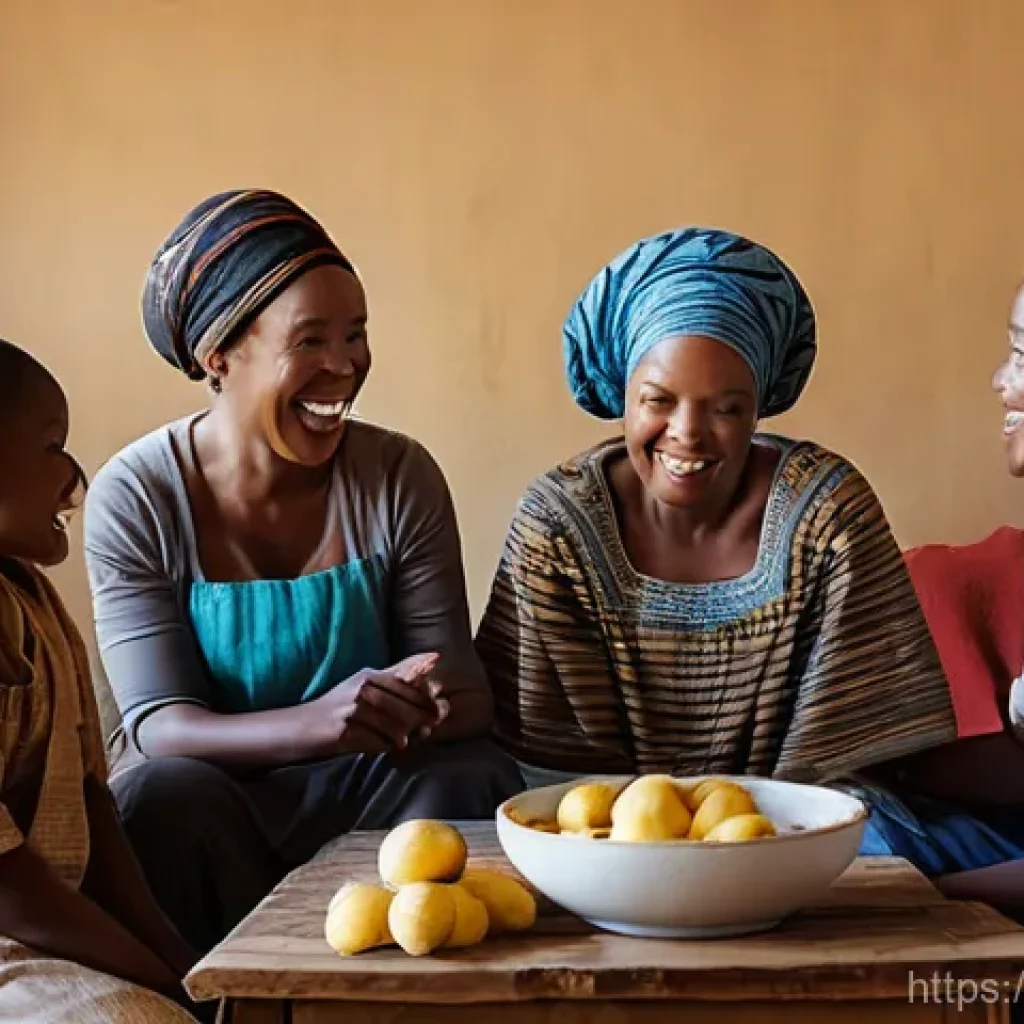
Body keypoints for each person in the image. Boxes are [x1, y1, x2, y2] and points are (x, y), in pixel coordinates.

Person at [84, 189, 522, 954]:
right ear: (218, 357)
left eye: (355, 335)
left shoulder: (398, 475)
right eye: (311, 339)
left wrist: (431, 702)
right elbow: (159, 726)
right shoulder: (139, 494)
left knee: (468, 778)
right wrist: (318, 723)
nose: (345, 365)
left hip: (372, 784)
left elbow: (464, 691)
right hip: (222, 799)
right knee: (158, 798)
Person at [475, 226, 968, 873]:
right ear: (622, 390)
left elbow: (840, 766)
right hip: (603, 848)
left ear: (760, 404)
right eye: (657, 400)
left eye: (727, 409)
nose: (687, 434)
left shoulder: (826, 515)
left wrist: (741, 848)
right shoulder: (559, 527)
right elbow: (560, 780)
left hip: (800, 838)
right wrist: (656, 851)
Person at [0, 340, 200, 1022]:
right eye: (53, 445)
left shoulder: (38, 604)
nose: (74, 479)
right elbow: (8, 883)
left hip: (40, 939)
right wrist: (156, 977)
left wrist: (182, 964)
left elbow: (92, 800)